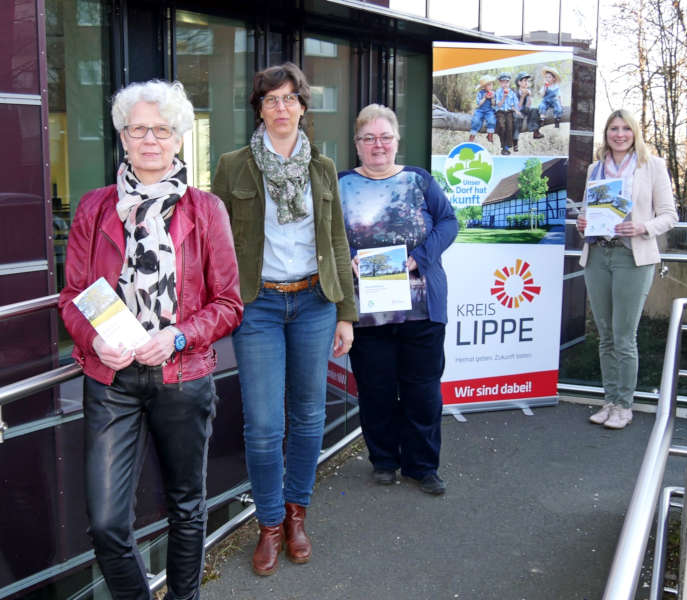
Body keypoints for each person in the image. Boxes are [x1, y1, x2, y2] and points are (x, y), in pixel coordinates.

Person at [58, 80, 243, 600]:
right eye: (138, 129)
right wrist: (94, 344)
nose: (150, 140)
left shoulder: (206, 210)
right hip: (111, 378)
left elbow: (229, 303)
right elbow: (73, 296)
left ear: (180, 138)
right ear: (122, 137)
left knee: (187, 507)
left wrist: (178, 337)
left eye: (162, 129)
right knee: (107, 523)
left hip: (181, 378)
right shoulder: (94, 210)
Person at [212, 62, 356, 577]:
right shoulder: (232, 166)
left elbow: (337, 239)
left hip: (316, 302)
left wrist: (346, 313)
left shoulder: (322, 167)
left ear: (302, 107)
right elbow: (216, 245)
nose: (281, 108)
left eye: (290, 99)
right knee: (265, 423)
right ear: (259, 109)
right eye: (270, 100)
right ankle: (269, 523)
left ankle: (298, 514)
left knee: (310, 415)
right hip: (260, 306)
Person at [338, 104, 459, 495]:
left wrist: (419, 258)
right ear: (357, 144)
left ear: (396, 141)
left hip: (421, 308)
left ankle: (423, 467)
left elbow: (449, 222)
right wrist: (347, 260)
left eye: (385, 137)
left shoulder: (419, 180)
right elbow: (325, 238)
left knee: (422, 390)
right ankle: (385, 461)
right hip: (366, 310)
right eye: (369, 138)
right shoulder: (340, 184)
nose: (378, 145)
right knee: (375, 389)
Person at [576, 109, 678, 429]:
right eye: (613, 129)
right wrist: (583, 223)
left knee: (624, 336)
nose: (619, 134)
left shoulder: (652, 167)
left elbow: (669, 216)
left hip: (631, 258)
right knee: (605, 335)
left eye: (625, 129)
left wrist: (642, 227)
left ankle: (624, 404)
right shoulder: (596, 169)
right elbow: (588, 213)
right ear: (606, 134)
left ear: (635, 132)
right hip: (597, 256)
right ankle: (609, 400)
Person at [513, 71, 543, 152]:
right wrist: (522, 97)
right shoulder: (515, 93)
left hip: (525, 109)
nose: (526, 83)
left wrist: (529, 96)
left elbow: (529, 105)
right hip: (517, 110)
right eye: (524, 81)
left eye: (527, 81)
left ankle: (535, 132)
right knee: (517, 119)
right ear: (519, 82)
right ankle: (515, 142)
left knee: (534, 110)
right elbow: (518, 107)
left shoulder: (527, 90)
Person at [494, 72, 518, 155]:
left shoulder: (512, 93)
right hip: (500, 112)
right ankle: (503, 146)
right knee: (502, 126)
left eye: (507, 82)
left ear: (509, 82)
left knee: (510, 126)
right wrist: (504, 97)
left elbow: (515, 105)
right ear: (500, 83)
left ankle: (508, 146)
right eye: (503, 82)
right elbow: (498, 104)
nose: (505, 84)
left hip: (508, 112)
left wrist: (516, 110)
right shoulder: (498, 92)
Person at [468, 74, 496, 144]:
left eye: (491, 84)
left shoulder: (493, 93)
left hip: (489, 110)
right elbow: (478, 104)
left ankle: (490, 135)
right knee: (476, 120)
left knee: (492, 120)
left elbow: (493, 104)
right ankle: (472, 135)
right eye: (488, 85)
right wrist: (485, 98)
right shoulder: (480, 93)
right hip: (480, 110)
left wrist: (492, 98)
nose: (491, 86)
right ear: (484, 86)